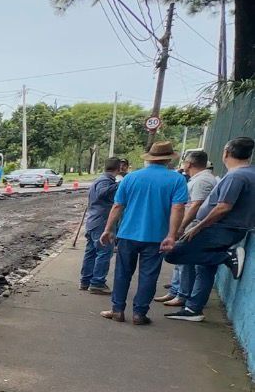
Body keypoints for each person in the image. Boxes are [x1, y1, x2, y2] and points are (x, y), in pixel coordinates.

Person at [162, 137, 255, 322]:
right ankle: (193, 309)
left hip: (220, 228)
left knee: (173, 253)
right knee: (205, 267)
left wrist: (198, 227)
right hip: (232, 227)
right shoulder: (250, 173)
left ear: (226, 152)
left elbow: (223, 207)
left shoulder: (236, 176)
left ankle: (227, 257)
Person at [99, 141, 188, 325]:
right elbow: (178, 208)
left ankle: (117, 310)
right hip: (157, 238)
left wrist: (108, 229)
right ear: (168, 159)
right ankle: (139, 314)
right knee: (149, 275)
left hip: (128, 234)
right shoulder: (177, 179)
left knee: (122, 273)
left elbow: (118, 206)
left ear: (150, 158)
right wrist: (172, 235)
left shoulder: (131, 178)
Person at [155, 150, 217, 307]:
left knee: (185, 261)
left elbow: (196, 205)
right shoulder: (198, 179)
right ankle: (175, 291)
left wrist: (181, 226)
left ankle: (182, 294)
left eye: (184, 162)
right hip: (189, 225)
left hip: (192, 226)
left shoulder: (202, 181)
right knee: (180, 260)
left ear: (189, 163)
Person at [79, 157, 125, 294]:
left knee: (91, 252)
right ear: (118, 168)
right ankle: (97, 282)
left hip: (95, 221)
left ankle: (86, 280)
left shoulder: (102, 180)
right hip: (102, 222)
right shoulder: (105, 181)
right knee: (104, 252)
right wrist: (120, 185)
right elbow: (102, 193)